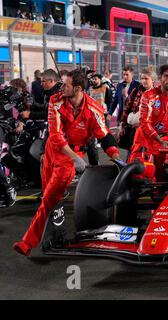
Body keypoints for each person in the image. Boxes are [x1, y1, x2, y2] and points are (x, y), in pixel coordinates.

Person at [12, 69, 121, 257]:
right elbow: (55, 135)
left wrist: (117, 159)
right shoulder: (56, 100)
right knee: (53, 199)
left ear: (78, 88)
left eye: (66, 85)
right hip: (51, 152)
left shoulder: (94, 109)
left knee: (48, 199)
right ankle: (57, 236)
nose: (62, 87)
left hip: (68, 159)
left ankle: (27, 242)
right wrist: (75, 157)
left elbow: (105, 138)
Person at [119, 67, 156, 153]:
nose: (143, 81)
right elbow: (127, 108)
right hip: (134, 131)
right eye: (142, 78)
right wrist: (122, 124)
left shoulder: (158, 94)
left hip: (150, 132)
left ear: (153, 80)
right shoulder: (136, 91)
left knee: (149, 157)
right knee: (132, 155)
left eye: (146, 78)